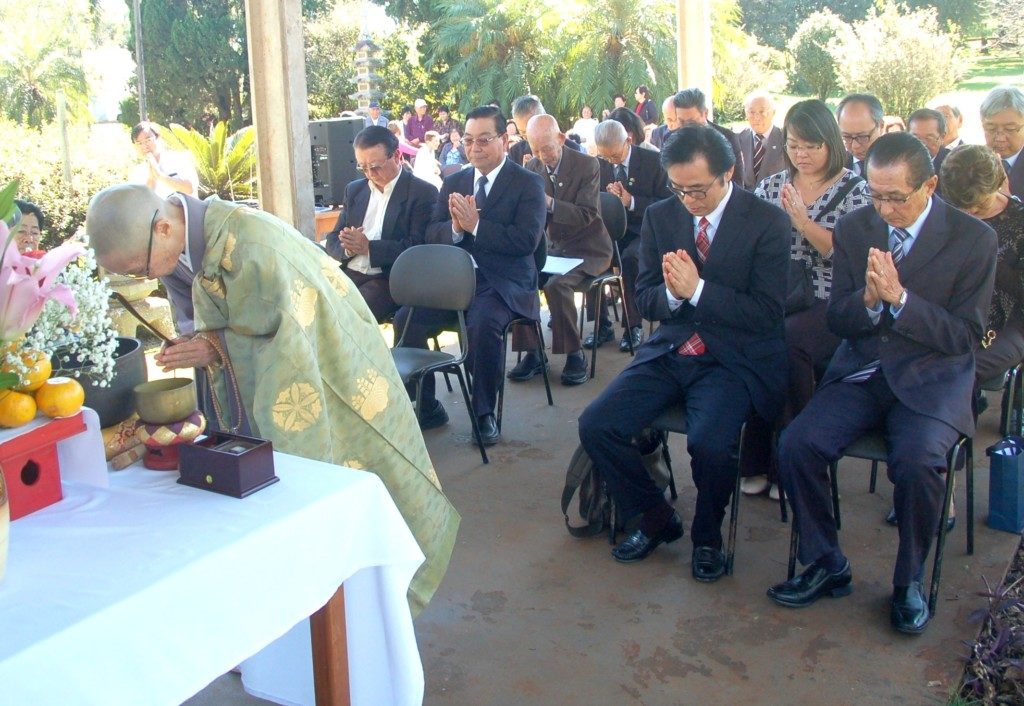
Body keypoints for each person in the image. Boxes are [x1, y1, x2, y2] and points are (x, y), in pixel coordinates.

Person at [86, 183, 460, 616]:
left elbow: (293, 340)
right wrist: (199, 343)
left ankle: (366, 598)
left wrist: (215, 347)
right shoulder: (171, 252)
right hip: (255, 381)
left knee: (353, 468)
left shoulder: (254, 244)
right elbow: (203, 322)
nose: (144, 279)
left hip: (330, 366)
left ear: (165, 227)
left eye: (138, 267)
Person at [767, 133, 997, 635]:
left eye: (897, 197)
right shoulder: (857, 225)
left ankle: (908, 579)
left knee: (918, 464)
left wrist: (902, 301)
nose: (885, 208)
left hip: (931, 378)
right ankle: (827, 562)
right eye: (876, 193)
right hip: (865, 368)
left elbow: (964, 336)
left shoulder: (974, 239)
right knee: (797, 444)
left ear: (930, 185)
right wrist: (871, 304)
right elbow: (842, 320)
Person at [578, 125, 790, 582]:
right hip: (673, 346)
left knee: (711, 444)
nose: (688, 200)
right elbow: (647, 295)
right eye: (678, 188)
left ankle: (708, 536)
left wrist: (699, 290)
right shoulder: (662, 215)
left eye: (698, 189)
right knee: (597, 424)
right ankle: (654, 517)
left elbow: (769, 312)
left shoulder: (767, 221)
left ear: (728, 173)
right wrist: (675, 298)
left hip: (733, 356)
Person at [740, 100, 870, 498]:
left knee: (788, 343)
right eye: (795, 145)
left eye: (812, 146)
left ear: (830, 143)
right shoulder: (771, 185)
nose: (802, 154)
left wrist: (801, 222)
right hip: (778, 293)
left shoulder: (856, 190)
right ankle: (756, 456)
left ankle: (793, 460)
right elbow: (752, 245)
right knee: (753, 339)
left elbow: (850, 256)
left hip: (831, 297)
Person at [394, 106, 547, 443]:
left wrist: (477, 225)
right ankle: (427, 404)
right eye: (467, 140)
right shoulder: (455, 181)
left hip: (503, 283)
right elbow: (430, 232)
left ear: (504, 141)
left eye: (483, 140)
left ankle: (484, 412)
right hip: (454, 283)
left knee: (483, 323)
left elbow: (526, 241)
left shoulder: (528, 184)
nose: (474, 148)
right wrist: (454, 227)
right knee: (407, 317)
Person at [508, 114, 612, 386]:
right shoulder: (531, 166)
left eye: (547, 148)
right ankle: (532, 352)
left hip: (588, 249)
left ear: (561, 139)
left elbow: (587, 214)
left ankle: (574, 354)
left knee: (556, 286)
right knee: (520, 278)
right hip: (553, 249)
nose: (542, 156)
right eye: (535, 149)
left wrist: (549, 203)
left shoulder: (587, 165)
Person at [324, 126, 438, 321]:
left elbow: (418, 248)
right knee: (312, 307)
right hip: (349, 273)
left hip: (388, 278)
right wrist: (349, 247)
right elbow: (333, 239)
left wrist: (369, 248)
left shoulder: (421, 192)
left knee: (349, 316)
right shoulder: (354, 190)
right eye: (362, 167)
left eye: (375, 166)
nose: (370, 173)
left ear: (397, 156)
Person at [941, 145, 1024, 394]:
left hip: (1010, 320)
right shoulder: (943, 214)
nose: (969, 213)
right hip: (952, 312)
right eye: (960, 207)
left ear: (998, 183)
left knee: (959, 371)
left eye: (978, 206)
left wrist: (987, 254)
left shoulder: (1019, 222)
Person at [588, 119, 671, 353]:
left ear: (629, 140)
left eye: (615, 155)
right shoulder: (599, 164)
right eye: (606, 157)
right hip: (609, 231)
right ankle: (601, 324)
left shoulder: (654, 162)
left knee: (631, 258)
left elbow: (667, 205)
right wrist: (607, 200)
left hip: (644, 230)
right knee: (590, 253)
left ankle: (633, 325)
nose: (611, 161)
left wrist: (630, 201)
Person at [669, 88, 745, 187]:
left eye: (692, 121)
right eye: (681, 121)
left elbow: (737, 182)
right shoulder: (672, 140)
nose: (687, 127)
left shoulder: (728, 138)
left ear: (705, 113)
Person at [129, 122, 199, 199]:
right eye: (139, 143)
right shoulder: (136, 173)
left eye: (148, 140)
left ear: (158, 138)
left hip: (186, 210)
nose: (144, 146)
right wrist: (151, 180)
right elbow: (140, 203)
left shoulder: (180, 159)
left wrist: (160, 176)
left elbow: (190, 189)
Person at [508, 95, 581, 166]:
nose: (528, 136)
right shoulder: (515, 152)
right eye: (523, 132)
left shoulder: (572, 149)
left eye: (532, 130)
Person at [980, 86, 1024, 199]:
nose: (1000, 138)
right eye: (991, 128)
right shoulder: (972, 162)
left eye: (1010, 129)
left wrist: (1010, 204)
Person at [737, 91, 785, 190]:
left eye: (762, 112)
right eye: (752, 112)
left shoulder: (785, 139)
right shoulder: (738, 139)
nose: (757, 117)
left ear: (773, 112)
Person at [836, 93, 884, 177]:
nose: (855, 146)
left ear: (880, 126)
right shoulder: (835, 168)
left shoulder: (901, 165)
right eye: (847, 137)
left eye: (862, 137)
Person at [908, 108, 949, 176]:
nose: (921, 144)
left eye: (929, 138)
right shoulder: (899, 163)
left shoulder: (951, 166)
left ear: (942, 137)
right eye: (915, 138)